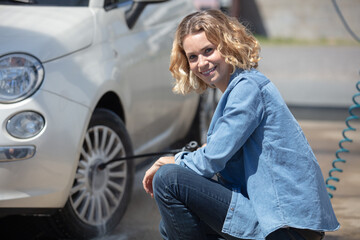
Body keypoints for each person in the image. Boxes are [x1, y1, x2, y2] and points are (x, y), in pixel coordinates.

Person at [142, 9, 339, 240]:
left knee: (169, 179)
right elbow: (218, 153)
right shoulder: (238, 89)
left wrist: (174, 160)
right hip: (272, 218)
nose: (201, 63)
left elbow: (212, 160)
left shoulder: (247, 89)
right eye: (192, 57)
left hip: (287, 227)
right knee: (170, 225)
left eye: (208, 50)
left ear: (227, 45)